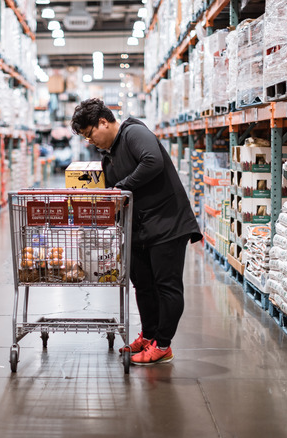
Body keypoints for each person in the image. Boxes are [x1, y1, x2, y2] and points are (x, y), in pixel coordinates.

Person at [71, 98, 202, 365]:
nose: (89, 141)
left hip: (167, 223)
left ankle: (163, 344)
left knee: (166, 286)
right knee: (143, 284)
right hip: (140, 228)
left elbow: (152, 161)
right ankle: (149, 335)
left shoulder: (133, 132)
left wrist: (121, 188)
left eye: (90, 134)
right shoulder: (107, 154)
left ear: (103, 122)